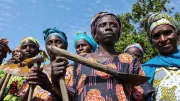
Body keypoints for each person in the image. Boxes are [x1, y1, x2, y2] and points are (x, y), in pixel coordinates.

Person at [51, 12, 154, 101]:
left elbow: (141, 95)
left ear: (119, 33)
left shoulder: (130, 60)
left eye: (113, 25)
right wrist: (55, 81)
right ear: (95, 34)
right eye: (103, 25)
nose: (108, 28)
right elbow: (70, 97)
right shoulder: (81, 60)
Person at [142, 12, 180, 101]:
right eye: (156, 36)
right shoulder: (146, 70)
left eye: (167, 32)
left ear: (178, 35)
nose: (163, 39)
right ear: (152, 42)